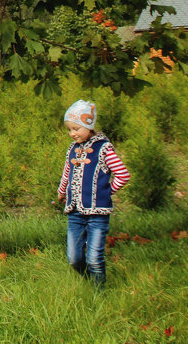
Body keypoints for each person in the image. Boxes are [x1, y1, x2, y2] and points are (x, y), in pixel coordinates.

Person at [56, 99, 130, 288]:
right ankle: (89, 280)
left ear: (89, 127)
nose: (72, 133)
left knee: (95, 258)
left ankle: (99, 293)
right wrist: (62, 190)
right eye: (69, 129)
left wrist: (106, 192)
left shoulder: (104, 148)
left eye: (76, 128)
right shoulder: (72, 149)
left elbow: (122, 174)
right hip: (75, 213)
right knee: (74, 258)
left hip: (97, 214)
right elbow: (67, 172)